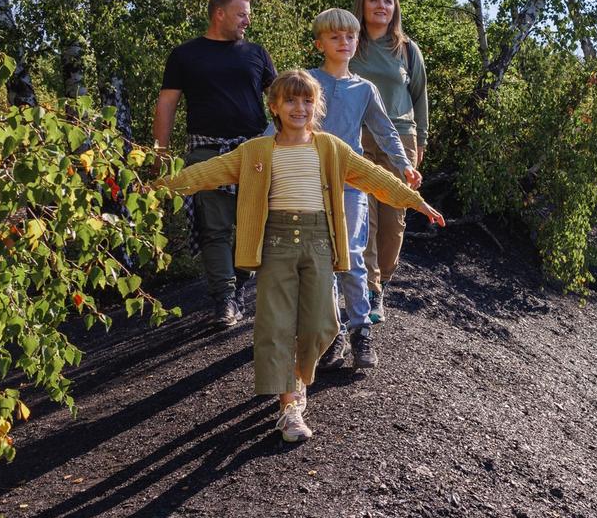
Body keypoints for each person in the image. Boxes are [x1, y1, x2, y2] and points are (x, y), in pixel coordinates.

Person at [160, 70, 445, 442]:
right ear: (274, 106)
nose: (300, 107)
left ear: (317, 105)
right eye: (291, 100)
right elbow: (205, 173)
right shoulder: (256, 151)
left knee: (322, 325)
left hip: (319, 244)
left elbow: (376, 177)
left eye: (307, 100)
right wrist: (156, 189)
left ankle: (297, 375)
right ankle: (289, 407)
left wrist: (417, 201)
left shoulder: (330, 148)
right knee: (275, 326)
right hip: (275, 244)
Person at [154, 0, 277, 328]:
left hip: (254, 150)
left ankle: (238, 283)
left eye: (248, 14)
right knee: (215, 229)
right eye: (241, 14)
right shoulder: (185, 55)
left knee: (258, 224)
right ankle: (224, 299)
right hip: (207, 152)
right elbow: (166, 105)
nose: (247, 21)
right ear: (219, 13)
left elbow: (280, 98)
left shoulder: (256, 53)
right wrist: (160, 154)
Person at [306, 8, 418, 371]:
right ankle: (332, 331)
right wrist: (255, 159)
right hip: (311, 181)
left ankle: (361, 330)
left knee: (352, 255)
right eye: (335, 37)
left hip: (351, 182)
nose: (344, 43)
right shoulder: (306, 81)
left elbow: (385, 130)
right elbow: (278, 123)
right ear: (319, 42)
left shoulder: (364, 88)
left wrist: (403, 164)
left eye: (350, 37)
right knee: (321, 260)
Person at [350, 0, 430, 325]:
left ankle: (382, 278)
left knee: (394, 218)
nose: (381, 6)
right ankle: (370, 289)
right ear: (363, 6)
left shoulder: (408, 49)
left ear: (395, 8)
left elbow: (420, 98)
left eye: (387, 0)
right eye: (374, 0)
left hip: (400, 138)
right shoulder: (351, 44)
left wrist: (422, 140)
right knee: (362, 213)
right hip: (358, 137)